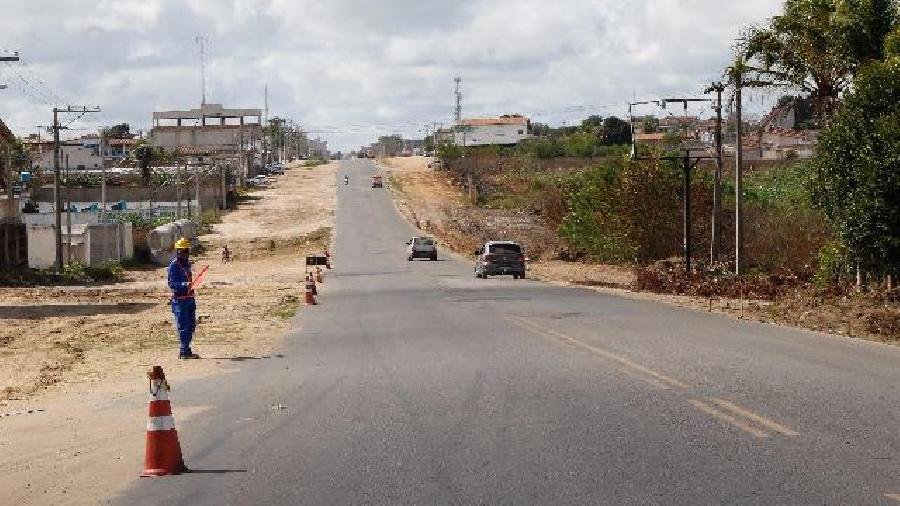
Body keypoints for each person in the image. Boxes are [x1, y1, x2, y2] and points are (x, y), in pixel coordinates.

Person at [168, 237, 200, 359]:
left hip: (190, 299)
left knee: (191, 325)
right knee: (184, 327)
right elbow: (172, 284)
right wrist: (184, 284)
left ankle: (187, 349)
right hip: (180, 301)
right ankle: (184, 351)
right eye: (183, 251)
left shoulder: (187, 264)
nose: (186, 253)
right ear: (178, 252)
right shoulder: (174, 266)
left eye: (187, 251)